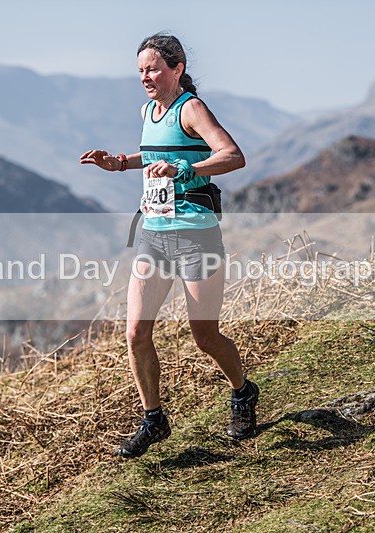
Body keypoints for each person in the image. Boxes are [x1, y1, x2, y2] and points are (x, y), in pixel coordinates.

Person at [80, 33, 258, 458]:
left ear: (177, 69)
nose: (146, 77)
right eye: (141, 70)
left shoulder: (191, 109)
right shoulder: (148, 110)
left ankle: (243, 391)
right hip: (153, 234)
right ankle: (154, 419)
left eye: (153, 69)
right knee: (136, 333)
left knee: (205, 337)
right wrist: (119, 163)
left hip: (196, 236)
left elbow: (233, 156)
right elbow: (154, 155)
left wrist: (185, 170)